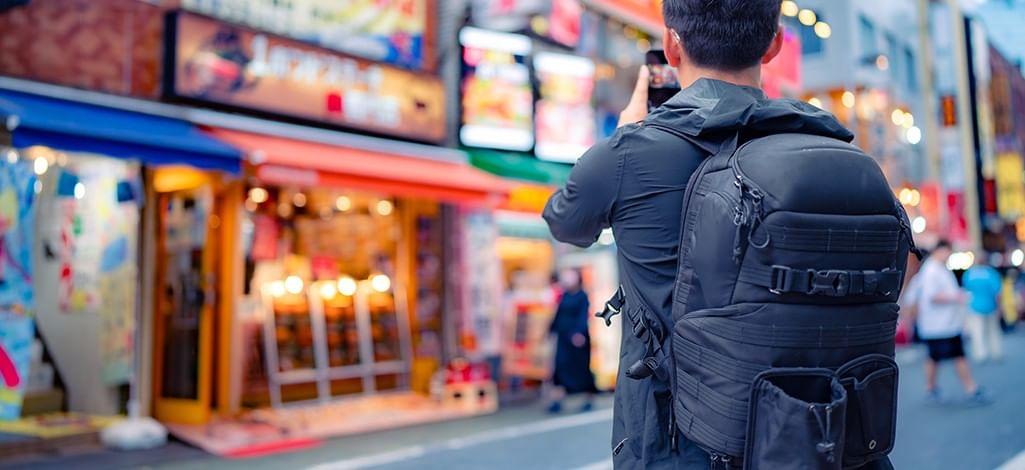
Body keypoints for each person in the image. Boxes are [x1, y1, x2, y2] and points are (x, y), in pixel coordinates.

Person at [543, 1, 864, 467]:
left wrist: (626, 134)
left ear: (672, 45)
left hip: (680, 442)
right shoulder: (829, 147)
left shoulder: (630, 152)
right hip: (822, 432)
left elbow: (564, 220)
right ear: (774, 43)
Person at [903, 240, 991, 405]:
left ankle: (932, 388)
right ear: (941, 250)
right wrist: (957, 297)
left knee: (935, 357)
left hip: (940, 324)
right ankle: (970, 388)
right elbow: (933, 296)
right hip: (941, 324)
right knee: (957, 356)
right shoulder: (932, 270)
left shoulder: (934, 268)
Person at [547, 269, 597, 413]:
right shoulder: (564, 296)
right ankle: (557, 400)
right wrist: (550, 330)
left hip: (577, 339)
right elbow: (558, 315)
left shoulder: (582, 296)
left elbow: (583, 316)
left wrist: (579, 333)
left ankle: (589, 397)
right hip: (563, 338)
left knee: (581, 369)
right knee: (560, 368)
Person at [961, 253, 1004, 362]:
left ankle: (980, 354)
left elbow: (965, 292)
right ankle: (996, 352)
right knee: (993, 331)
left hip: (974, 307)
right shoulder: (991, 273)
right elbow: (998, 293)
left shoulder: (969, 274)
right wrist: (1000, 308)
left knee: (977, 332)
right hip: (990, 306)